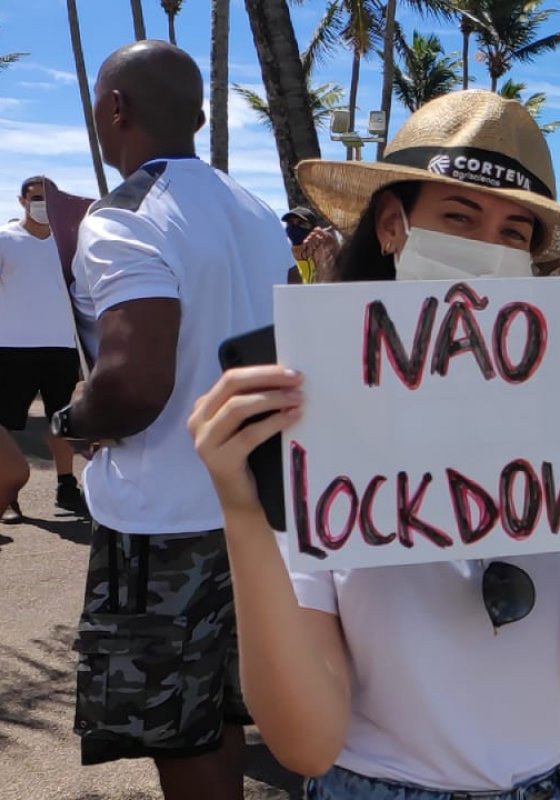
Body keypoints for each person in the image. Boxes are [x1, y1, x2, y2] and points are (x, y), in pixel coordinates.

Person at [188, 90, 560, 800]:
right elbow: (307, 743)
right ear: (393, 226)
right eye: (459, 216)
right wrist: (242, 516)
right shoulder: (316, 429)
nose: (489, 247)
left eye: (515, 232)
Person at [58, 41, 291, 798]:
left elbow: (133, 385)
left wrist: (69, 419)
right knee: (220, 711)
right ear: (196, 116)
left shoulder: (123, 217)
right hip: (255, 508)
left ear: (115, 107)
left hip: (163, 520)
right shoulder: (255, 212)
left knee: (179, 733)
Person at [0, 175, 85, 523]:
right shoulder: (5, 240)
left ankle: (67, 486)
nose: (42, 205)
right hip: (12, 348)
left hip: (61, 347)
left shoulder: (68, 244)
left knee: (60, 421)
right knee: (4, 425)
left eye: (47, 198)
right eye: (35, 198)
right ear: (21, 201)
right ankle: (6, 493)